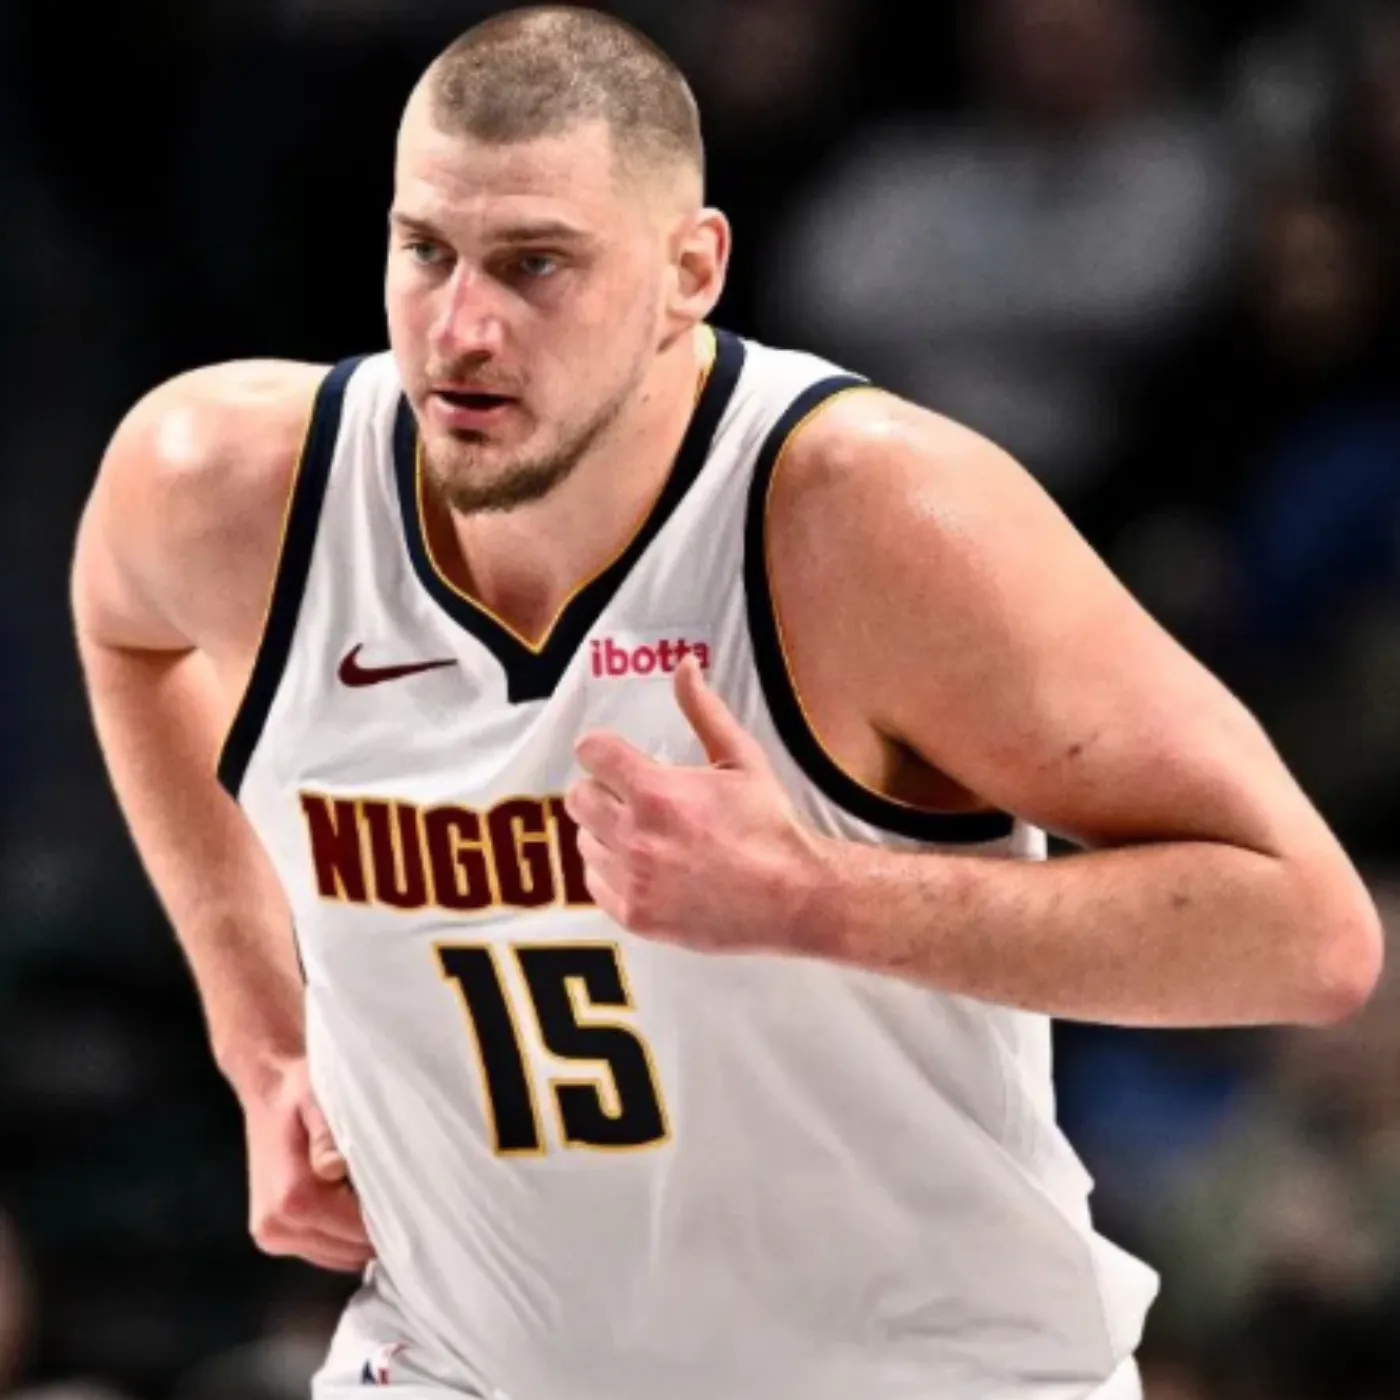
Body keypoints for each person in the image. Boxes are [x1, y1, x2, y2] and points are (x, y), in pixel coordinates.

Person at [70, 7, 1381, 1400]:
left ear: (689, 270)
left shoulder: (875, 520)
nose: (461, 328)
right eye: (427, 252)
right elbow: (124, 627)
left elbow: (1306, 933)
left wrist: (816, 899)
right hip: (460, 1365)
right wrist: (263, 1039)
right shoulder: (232, 486)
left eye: (535, 264)